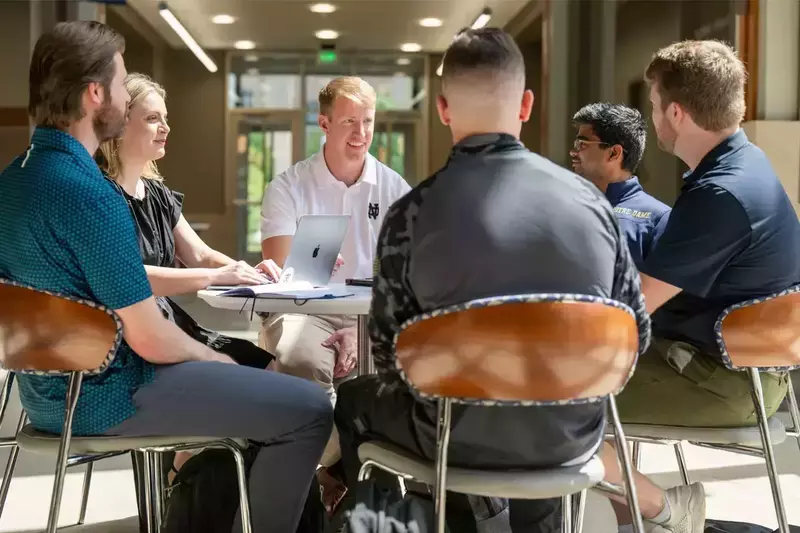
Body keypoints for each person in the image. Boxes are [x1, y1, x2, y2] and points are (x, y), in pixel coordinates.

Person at [0, 21, 331, 533]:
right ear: (95, 95)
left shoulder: (13, 182)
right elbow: (152, 340)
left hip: (44, 399)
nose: (122, 93)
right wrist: (219, 360)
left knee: (268, 392)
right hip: (111, 394)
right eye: (119, 82)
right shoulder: (93, 196)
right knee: (310, 408)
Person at [330, 28, 652, 533]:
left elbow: (393, 355)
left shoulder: (410, 216)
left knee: (355, 399)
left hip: (454, 437)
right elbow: (636, 333)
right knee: (545, 399)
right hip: (569, 436)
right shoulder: (593, 205)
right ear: (526, 105)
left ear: (442, 109)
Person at [604, 40, 800, 533]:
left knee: (549, 401)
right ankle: (640, 521)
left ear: (676, 111)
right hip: (739, 371)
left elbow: (636, 305)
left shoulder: (721, 192)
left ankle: (664, 512)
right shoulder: (743, 167)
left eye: (652, 106)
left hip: (721, 383)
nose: (652, 118)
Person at [96, 72, 279, 478]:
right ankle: (187, 466)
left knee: (269, 368)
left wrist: (245, 270)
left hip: (171, 322)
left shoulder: (157, 194)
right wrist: (215, 277)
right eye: (153, 119)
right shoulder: (101, 195)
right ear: (122, 124)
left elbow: (198, 253)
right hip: (134, 334)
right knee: (233, 377)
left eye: (165, 119)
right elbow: (130, 277)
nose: (166, 128)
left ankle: (205, 471)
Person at [259, 76, 411, 506]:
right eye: (349, 122)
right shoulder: (289, 186)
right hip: (303, 312)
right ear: (324, 124)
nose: (361, 133)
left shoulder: (395, 190)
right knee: (297, 361)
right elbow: (282, 268)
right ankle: (336, 466)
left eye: (368, 121)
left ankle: (338, 470)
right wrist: (310, 263)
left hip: (373, 316)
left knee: (421, 367)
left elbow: (408, 276)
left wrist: (364, 334)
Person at [570, 103, 671, 269]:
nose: (573, 152)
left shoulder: (657, 220)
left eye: (582, 144)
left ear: (614, 153)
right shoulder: (567, 207)